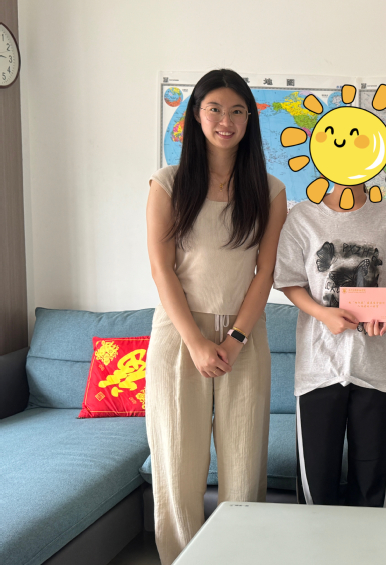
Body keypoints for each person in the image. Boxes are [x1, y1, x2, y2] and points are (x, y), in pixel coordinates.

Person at [146, 69, 287, 563]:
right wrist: (196, 342)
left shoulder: (270, 190)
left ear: (249, 120)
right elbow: (162, 270)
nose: (226, 120)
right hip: (178, 334)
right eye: (215, 109)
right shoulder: (167, 183)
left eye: (237, 111)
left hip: (244, 337)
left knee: (244, 469)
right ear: (196, 115)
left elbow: (265, 272)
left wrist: (235, 339)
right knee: (177, 465)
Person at [273, 182, 386, 507]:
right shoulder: (303, 216)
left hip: (375, 369)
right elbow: (289, 281)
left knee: (373, 491)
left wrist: (384, 306)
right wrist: (323, 314)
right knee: (317, 491)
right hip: (318, 370)